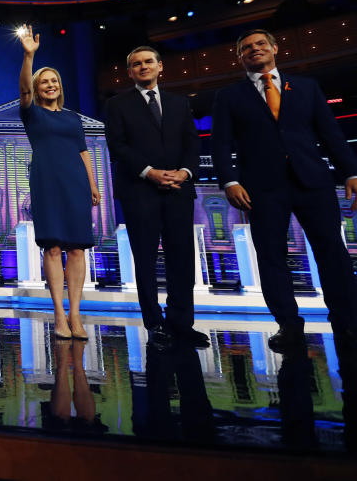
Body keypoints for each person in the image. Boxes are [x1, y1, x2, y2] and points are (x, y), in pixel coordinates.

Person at [212, 29, 357, 353]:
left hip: (313, 182)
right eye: (246, 47)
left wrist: (351, 171)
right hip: (261, 189)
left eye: (260, 44)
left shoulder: (306, 87)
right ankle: (289, 326)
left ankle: (348, 323)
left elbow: (330, 133)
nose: (254, 49)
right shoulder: (229, 96)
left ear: (275, 48)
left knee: (333, 254)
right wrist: (230, 181)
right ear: (239, 57)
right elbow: (221, 144)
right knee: (271, 257)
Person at [104, 45, 206, 349]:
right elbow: (118, 147)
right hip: (139, 191)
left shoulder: (179, 103)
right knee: (145, 261)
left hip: (178, 189)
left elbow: (192, 143)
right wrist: (150, 172)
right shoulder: (117, 104)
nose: (143, 67)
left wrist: (185, 172)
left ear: (160, 66)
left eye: (148, 62)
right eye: (136, 64)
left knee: (182, 259)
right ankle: (155, 324)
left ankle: (182, 323)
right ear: (129, 72)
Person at [18, 28, 99, 340]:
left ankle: (76, 314)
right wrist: (29, 55)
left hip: (76, 183)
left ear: (59, 87)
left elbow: (83, 152)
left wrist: (92, 185)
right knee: (52, 247)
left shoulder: (73, 118)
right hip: (47, 182)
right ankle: (59, 315)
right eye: (44, 81)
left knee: (77, 248)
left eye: (54, 81)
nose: (50, 85)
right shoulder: (32, 113)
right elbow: (23, 89)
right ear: (38, 88)